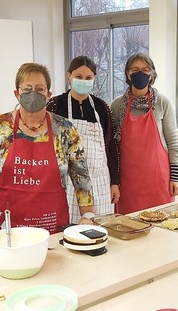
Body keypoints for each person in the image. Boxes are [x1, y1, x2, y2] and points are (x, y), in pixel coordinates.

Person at [0, 63, 95, 235]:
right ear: (16, 93)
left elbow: (81, 177)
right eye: (27, 89)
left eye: (39, 89)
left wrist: (87, 215)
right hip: (3, 227)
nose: (33, 94)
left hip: (49, 225)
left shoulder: (64, 129)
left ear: (48, 94)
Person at [46, 56, 119, 224]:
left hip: (100, 179)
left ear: (94, 78)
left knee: (100, 228)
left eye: (88, 78)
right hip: (68, 181)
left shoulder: (101, 107)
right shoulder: (55, 105)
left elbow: (112, 146)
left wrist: (115, 182)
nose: (83, 81)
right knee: (70, 229)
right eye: (78, 77)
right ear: (69, 76)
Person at [110, 52, 178, 215]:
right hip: (128, 183)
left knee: (162, 226)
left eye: (145, 69)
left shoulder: (162, 102)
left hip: (158, 180)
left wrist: (176, 177)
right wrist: (114, 181)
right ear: (128, 74)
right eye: (134, 69)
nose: (140, 73)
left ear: (152, 74)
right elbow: (112, 146)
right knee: (129, 227)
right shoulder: (117, 105)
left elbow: (173, 143)